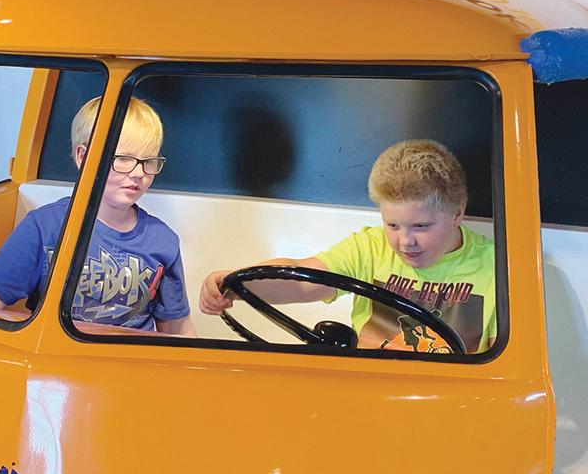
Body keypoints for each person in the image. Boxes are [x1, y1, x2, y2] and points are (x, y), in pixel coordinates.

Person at [0, 97, 195, 335]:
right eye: (123, 159)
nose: (138, 173)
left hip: (131, 368)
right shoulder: (44, 227)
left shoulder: (163, 240)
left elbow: (176, 328)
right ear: (83, 156)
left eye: (149, 162)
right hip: (58, 363)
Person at [200, 139, 495, 354]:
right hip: (368, 389)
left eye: (421, 226)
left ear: (457, 213)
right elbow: (303, 280)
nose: (405, 241)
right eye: (393, 225)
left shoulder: (497, 269)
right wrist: (234, 283)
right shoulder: (369, 247)